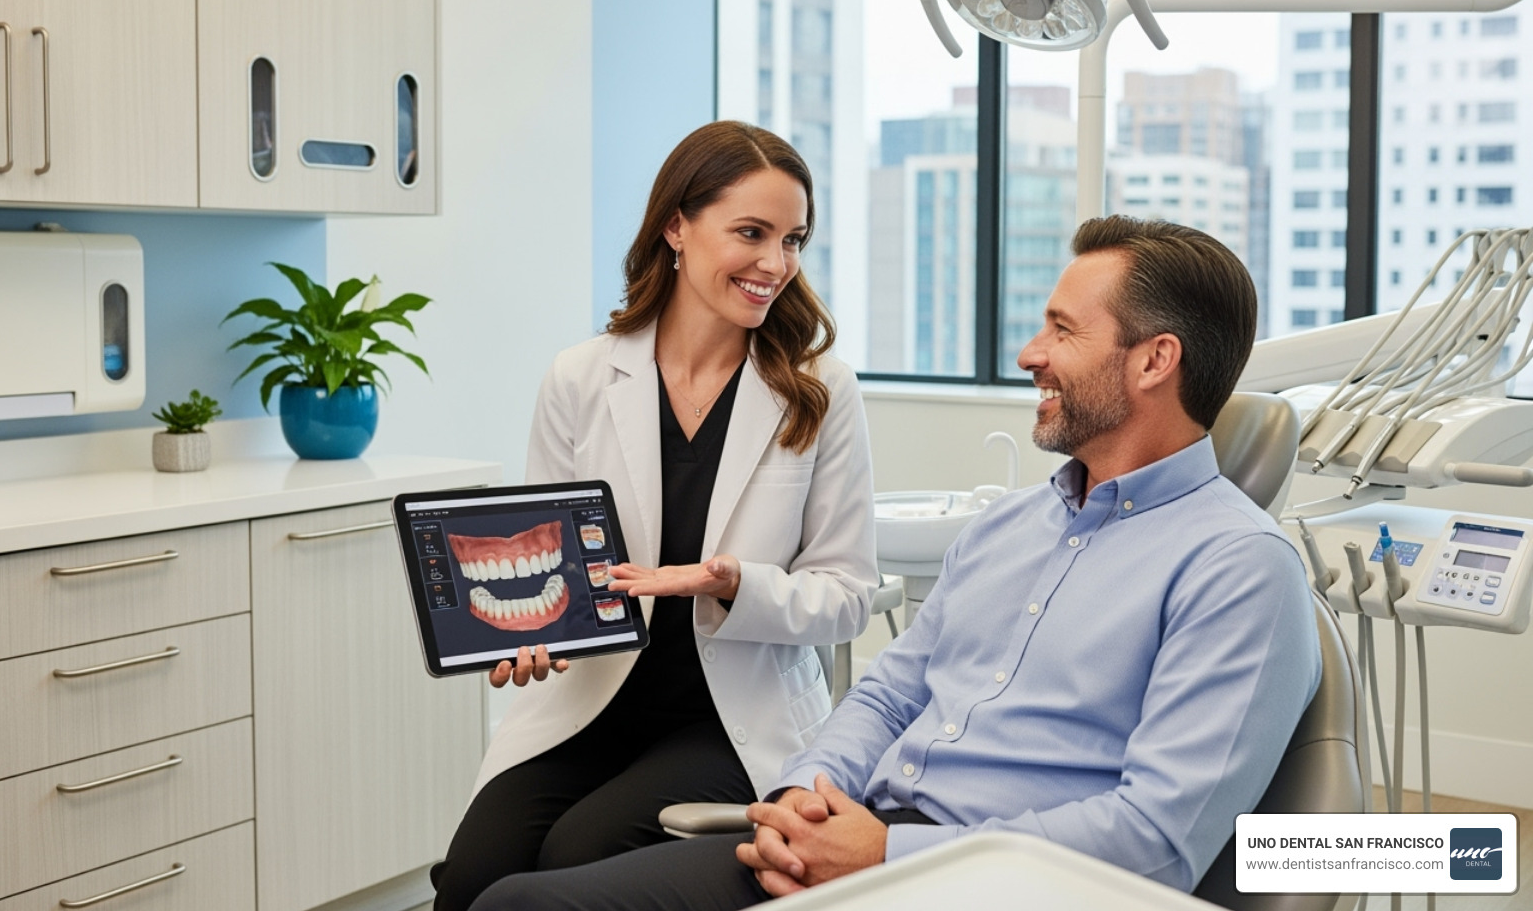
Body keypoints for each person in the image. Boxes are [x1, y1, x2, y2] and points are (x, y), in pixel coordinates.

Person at [463, 215, 1324, 911]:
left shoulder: (1239, 569)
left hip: (985, 886)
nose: (1030, 354)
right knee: (513, 901)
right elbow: (887, 692)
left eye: (1061, 330)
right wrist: (807, 791)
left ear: (1153, 360)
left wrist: (892, 853)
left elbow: (1157, 839)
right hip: (858, 848)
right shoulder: (1007, 530)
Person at [430, 122, 880, 911]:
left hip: (732, 716)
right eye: (752, 233)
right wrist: (531, 636)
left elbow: (845, 595)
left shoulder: (818, 389)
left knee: (581, 853)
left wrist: (728, 581)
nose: (776, 264)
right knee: (470, 878)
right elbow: (554, 565)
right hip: (591, 702)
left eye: (794, 239)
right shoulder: (580, 377)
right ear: (676, 225)